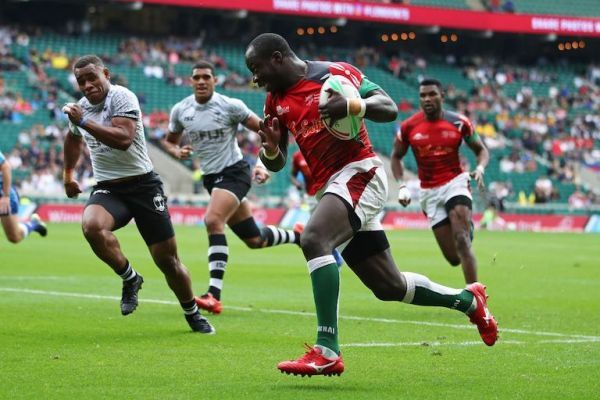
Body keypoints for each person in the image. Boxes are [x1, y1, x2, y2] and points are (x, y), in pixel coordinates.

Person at [245, 33, 497, 377]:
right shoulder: (274, 101)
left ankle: (327, 349)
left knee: (314, 239)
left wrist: (352, 105)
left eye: (256, 68)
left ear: (277, 58)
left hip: (360, 173)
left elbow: (388, 108)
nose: (254, 78)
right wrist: (272, 150)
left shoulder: (333, 74)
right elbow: (276, 163)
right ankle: (468, 301)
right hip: (331, 189)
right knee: (388, 287)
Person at [61, 55, 214, 334]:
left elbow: (123, 139)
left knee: (167, 261)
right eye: (81, 81)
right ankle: (130, 278)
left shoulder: (122, 97)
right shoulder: (80, 110)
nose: (87, 85)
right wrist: (68, 174)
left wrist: (83, 122)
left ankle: (192, 312)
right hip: (109, 187)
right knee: (92, 227)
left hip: (144, 186)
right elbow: (72, 138)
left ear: (105, 73)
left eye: (92, 77)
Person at [162, 61, 303, 315]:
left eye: (207, 77)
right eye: (197, 77)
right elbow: (169, 142)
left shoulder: (230, 106)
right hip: (211, 179)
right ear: (190, 81)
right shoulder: (181, 110)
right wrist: (177, 151)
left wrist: (262, 164)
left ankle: (213, 295)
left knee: (213, 220)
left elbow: (268, 133)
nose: (202, 81)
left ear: (215, 80)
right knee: (254, 239)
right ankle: (299, 236)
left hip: (235, 173)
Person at [390, 79, 490, 284]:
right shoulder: (409, 127)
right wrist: (401, 185)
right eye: (423, 95)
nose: (427, 99)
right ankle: (465, 231)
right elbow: (396, 157)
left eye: (432, 94)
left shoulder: (459, 123)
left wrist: (479, 168)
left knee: (462, 240)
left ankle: (476, 300)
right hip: (429, 192)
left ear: (442, 96)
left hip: (456, 182)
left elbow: (481, 150)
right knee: (454, 258)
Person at [0, 150, 47, 243]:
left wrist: (5, 196)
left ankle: (33, 224)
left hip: (3, 195)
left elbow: (6, 167)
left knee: (14, 237)